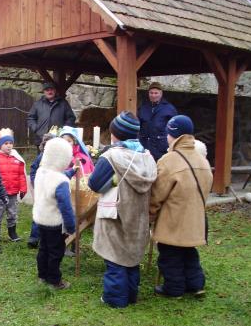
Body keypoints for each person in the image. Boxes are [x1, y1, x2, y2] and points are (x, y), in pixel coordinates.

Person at [88, 112, 157, 308]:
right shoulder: (147, 156)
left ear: (115, 133)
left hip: (116, 214)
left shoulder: (112, 157)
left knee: (115, 257)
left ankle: (115, 299)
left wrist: (112, 180)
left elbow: (94, 183)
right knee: (131, 257)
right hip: (138, 215)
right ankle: (131, 295)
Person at [150, 115, 213, 297]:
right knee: (189, 252)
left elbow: (157, 194)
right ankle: (196, 284)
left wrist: (150, 214)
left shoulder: (169, 160)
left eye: (168, 134)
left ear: (174, 135)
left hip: (174, 219)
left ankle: (174, 288)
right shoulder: (202, 159)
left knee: (170, 255)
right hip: (195, 217)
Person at [33, 137, 76, 290]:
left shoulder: (40, 172)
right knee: (55, 252)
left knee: (43, 248)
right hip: (55, 223)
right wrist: (71, 227)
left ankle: (42, 275)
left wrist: (71, 172)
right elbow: (66, 207)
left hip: (41, 219)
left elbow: (54, 179)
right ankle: (54, 280)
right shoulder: (61, 182)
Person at [0, 128, 27, 243]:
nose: (9, 146)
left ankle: (12, 232)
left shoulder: (16, 157)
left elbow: (21, 175)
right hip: (0, 193)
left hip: (13, 192)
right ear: (0, 145)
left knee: (12, 213)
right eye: (6, 143)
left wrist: (23, 188)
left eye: (11, 143)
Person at [27, 81, 76, 148]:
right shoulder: (37, 104)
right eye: (47, 90)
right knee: (42, 158)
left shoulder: (63, 103)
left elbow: (71, 118)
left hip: (59, 139)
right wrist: (36, 128)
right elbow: (31, 118)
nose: (50, 92)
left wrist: (63, 130)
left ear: (55, 90)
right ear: (44, 92)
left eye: (51, 89)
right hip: (41, 139)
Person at [138, 82, 177, 162]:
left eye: (156, 93)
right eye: (151, 93)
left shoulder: (169, 109)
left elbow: (174, 129)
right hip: (144, 146)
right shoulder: (143, 107)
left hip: (161, 147)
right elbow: (138, 125)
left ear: (161, 93)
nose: (153, 95)